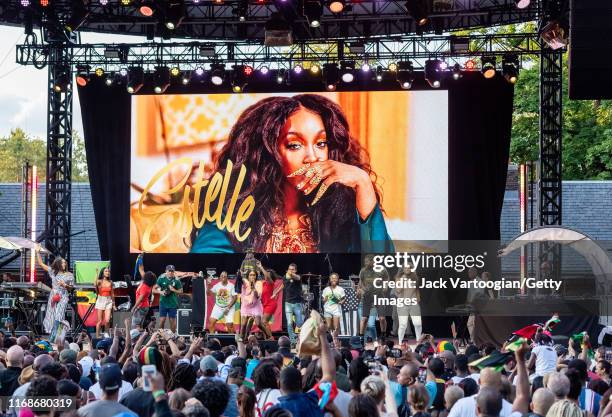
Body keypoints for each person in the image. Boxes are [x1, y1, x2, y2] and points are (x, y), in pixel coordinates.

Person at [190, 94, 391, 253]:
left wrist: (363, 183)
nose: (312, 157)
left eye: (321, 143)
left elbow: (381, 275)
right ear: (266, 153)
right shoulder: (233, 211)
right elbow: (207, 274)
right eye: (295, 145)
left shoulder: (340, 207)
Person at [36, 247, 74, 334]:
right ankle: (53, 334)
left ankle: (58, 334)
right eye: (62, 263)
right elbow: (41, 264)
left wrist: (65, 285)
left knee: (59, 315)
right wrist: (37, 252)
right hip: (54, 294)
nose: (64, 264)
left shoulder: (69, 275)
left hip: (63, 295)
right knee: (51, 315)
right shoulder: (53, 272)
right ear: (58, 264)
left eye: (65, 263)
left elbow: (71, 288)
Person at [358, 255, 390, 341]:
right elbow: (361, 282)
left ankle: (383, 335)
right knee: (364, 319)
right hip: (367, 296)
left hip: (379, 295)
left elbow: (386, 278)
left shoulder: (381, 269)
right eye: (365, 262)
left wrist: (385, 285)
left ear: (373, 262)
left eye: (367, 261)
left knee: (382, 318)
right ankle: (361, 338)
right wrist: (360, 289)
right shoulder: (363, 271)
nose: (366, 263)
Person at [394, 265, 422, 343]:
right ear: (403, 269)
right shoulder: (399, 278)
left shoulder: (415, 278)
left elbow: (417, 290)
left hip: (413, 303)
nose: (407, 269)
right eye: (405, 268)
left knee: (418, 324)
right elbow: (398, 290)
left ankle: (418, 341)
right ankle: (400, 342)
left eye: (409, 268)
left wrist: (418, 299)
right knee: (403, 324)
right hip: (402, 303)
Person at [154, 265, 183, 333]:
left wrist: (173, 290)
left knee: (172, 321)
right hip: (163, 303)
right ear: (166, 271)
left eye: (172, 271)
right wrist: (161, 292)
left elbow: (181, 291)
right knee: (162, 320)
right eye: (169, 271)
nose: (170, 272)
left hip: (173, 304)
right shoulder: (161, 278)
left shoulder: (176, 280)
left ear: (174, 272)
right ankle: (161, 335)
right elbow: (153, 289)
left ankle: (173, 337)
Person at [240, 263, 265, 342]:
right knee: (243, 324)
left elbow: (257, 296)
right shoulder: (244, 283)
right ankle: (242, 341)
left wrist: (254, 287)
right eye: (251, 275)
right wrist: (240, 275)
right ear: (248, 276)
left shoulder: (258, 283)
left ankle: (268, 335)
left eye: (254, 275)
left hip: (256, 305)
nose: (252, 277)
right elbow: (240, 278)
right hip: (246, 306)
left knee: (258, 323)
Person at [132, 259, 157, 331]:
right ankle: (141, 338)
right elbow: (141, 270)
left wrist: (134, 307)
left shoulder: (145, 287)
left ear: (146, 278)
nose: (144, 274)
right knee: (139, 324)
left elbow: (140, 298)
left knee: (137, 326)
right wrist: (140, 260)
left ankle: (138, 339)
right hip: (144, 306)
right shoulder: (146, 283)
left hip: (141, 307)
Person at [283, 263, 304, 347]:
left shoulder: (298, 277)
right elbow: (284, 283)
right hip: (288, 303)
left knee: (299, 323)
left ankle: (298, 335)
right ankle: (292, 340)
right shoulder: (285, 277)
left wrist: (290, 273)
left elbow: (297, 277)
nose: (291, 271)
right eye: (289, 269)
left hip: (297, 303)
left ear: (295, 270)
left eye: (292, 269)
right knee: (289, 323)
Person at [261, 267, 283, 341]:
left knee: (264, 322)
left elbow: (266, 276)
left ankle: (271, 338)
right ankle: (266, 340)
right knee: (263, 324)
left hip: (271, 304)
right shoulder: (264, 283)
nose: (266, 276)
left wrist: (261, 267)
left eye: (268, 275)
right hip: (265, 304)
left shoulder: (271, 283)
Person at [322, 273, 345, 339]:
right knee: (328, 326)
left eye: (335, 278)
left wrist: (341, 302)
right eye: (332, 278)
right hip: (327, 309)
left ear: (337, 280)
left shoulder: (340, 289)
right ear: (330, 279)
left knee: (336, 327)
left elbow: (343, 299)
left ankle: (335, 340)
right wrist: (325, 299)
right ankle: (329, 340)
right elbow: (323, 300)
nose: (334, 279)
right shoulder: (326, 289)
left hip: (336, 310)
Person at [95, 266, 115, 338]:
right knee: (100, 321)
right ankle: (97, 336)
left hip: (108, 301)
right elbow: (95, 284)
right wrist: (97, 273)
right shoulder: (100, 281)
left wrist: (113, 304)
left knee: (107, 320)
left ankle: (106, 333)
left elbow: (112, 293)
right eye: (106, 271)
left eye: (108, 271)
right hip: (100, 300)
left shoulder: (110, 282)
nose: (108, 273)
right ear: (103, 273)